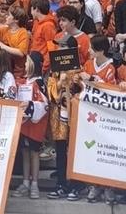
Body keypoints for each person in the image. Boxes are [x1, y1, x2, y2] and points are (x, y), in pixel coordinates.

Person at [46, 36, 83, 201]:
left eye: (63, 46)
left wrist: (77, 83)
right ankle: (61, 184)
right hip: (58, 117)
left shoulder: (79, 70)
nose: (59, 49)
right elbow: (51, 92)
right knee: (60, 151)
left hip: (74, 118)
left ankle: (75, 185)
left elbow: (85, 92)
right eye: (59, 46)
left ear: (71, 50)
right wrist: (60, 83)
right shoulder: (54, 70)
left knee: (74, 151)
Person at [12, 54, 48, 201]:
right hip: (24, 123)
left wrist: (31, 106)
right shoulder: (24, 81)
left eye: (27, 62)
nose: (25, 65)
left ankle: (35, 184)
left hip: (35, 124)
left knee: (34, 153)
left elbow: (44, 103)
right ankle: (25, 182)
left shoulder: (39, 82)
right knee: (25, 152)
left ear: (34, 64)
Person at [29, 0, 57, 73]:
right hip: (35, 63)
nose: (31, 12)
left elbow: (52, 49)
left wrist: (44, 67)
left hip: (42, 66)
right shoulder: (37, 22)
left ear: (36, 9)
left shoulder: (48, 26)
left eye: (31, 9)